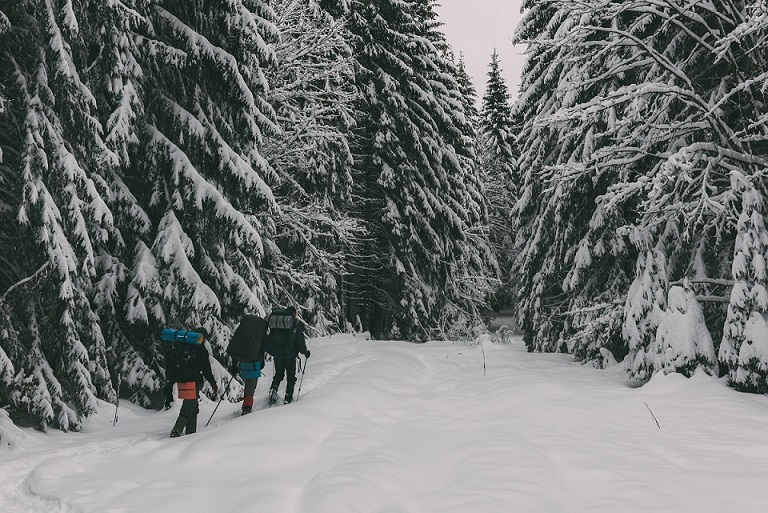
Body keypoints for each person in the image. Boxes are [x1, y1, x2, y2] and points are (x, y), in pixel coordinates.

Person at [164, 327, 218, 437]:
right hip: (191, 381)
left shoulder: (181, 346)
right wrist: (213, 383)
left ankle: (191, 434)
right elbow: (206, 369)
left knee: (193, 406)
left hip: (180, 380)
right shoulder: (200, 349)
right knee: (189, 406)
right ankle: (176, 431)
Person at [267, 306, 310, 405]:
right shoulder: (294, 324)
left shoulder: (277, 323)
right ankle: (288, 397)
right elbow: (299, 342)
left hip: (277, 354)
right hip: (290, 355)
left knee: (279, 374)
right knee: (291, 378)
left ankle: (273, 389)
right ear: (293, 313)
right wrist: (305, 352)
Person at [227, 314, 268, 415]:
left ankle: (246, 404)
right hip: (254, 362)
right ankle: (247, 407)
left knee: (248, 385)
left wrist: (234, 366)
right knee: (251, 386)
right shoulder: (260, 330)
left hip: (243, 362)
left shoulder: (243, 330)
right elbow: (263, 347)